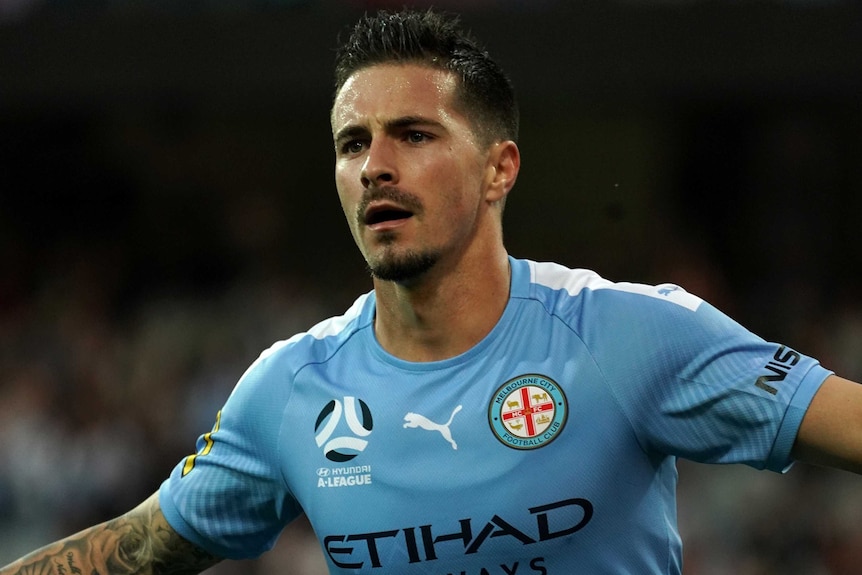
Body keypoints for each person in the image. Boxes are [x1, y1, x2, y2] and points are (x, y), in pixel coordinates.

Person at [3, 8, 862, 575]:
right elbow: (141, 544)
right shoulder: (290, 389)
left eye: (414, 134)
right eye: (353, 143)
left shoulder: (624, 333)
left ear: (500, 169)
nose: (375, 164)